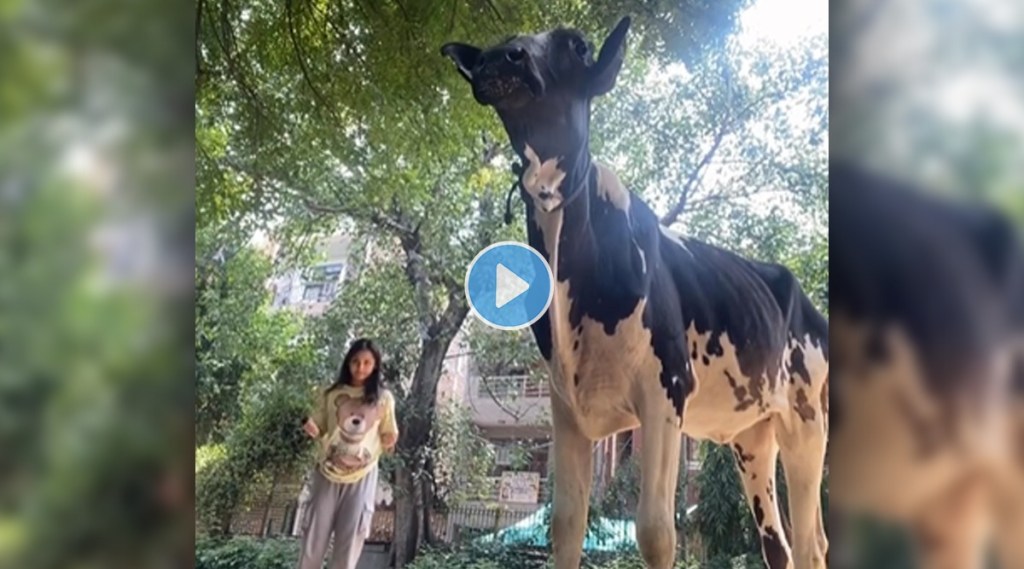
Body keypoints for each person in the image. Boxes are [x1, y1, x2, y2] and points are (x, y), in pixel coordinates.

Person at [296, 338, 399, 569]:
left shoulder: (384, 399)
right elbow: (320, 426)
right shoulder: (331, 394)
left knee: (349, 545)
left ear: (375, 366)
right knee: (313, 540)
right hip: (326, 473)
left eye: (366, 362)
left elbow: (388, 435)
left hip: (361, 478)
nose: (360, 368)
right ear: (348, 362)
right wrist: (311, 427)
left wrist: (390, 441)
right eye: (355, 361)